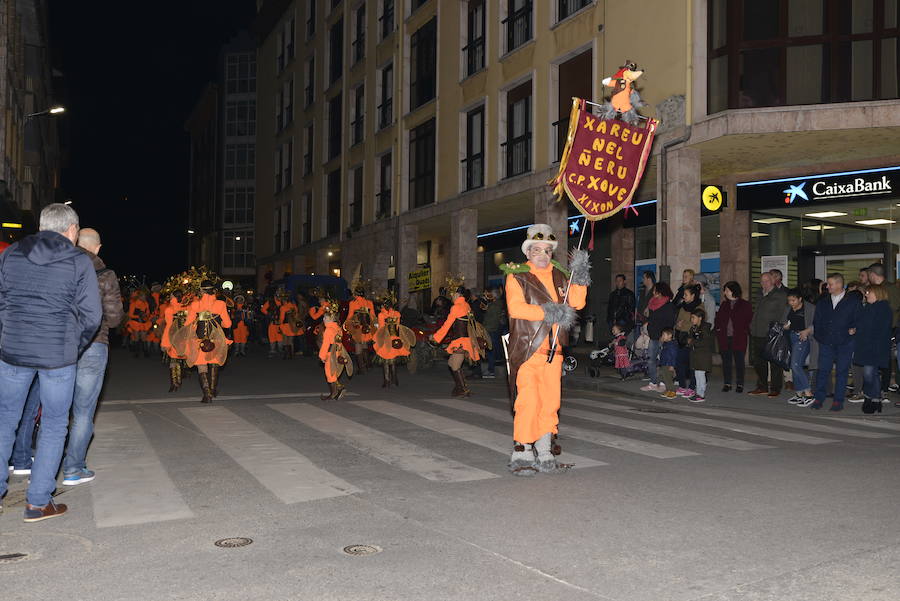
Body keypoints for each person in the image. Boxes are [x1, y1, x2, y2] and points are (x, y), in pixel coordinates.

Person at [0, 203, 102, 522]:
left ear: (43, 226)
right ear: (72, 230)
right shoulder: (77, 260)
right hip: (57, 355)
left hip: (13, 350)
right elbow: (92, 315)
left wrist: (8, 332)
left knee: (5, 419)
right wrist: (72, 344)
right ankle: (38, 501)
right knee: (56, 424)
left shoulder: (12, 254)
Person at [502, 223, 589, 476]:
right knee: (528, 402)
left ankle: (544, 450)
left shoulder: (561, 275)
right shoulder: (517, 275)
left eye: (548, 250)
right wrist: (550, 312)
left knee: (550, 403)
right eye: (537, 250)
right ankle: (523, 451)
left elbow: (578, 302)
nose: (543, 255)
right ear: (528, 252)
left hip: (555, 352)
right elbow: (516, 309)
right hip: (528, 350)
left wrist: (581, 275)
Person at [60, 228, 124, 487]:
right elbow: (114, 317)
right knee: (84, 411)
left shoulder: (59, 265)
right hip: (95, 344)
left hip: (59, 345)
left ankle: (42, 467)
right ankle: (74, 469)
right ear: (97, 248)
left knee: (55, 410)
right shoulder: (105, 274)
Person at [175, 280, 232, 403]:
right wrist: (219, 322)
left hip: (200, 341)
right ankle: (212, 389)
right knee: (214, 365)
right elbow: (228, 324)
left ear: (201, 290)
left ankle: (207, 394)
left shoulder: (195, 305)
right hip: (216, 340)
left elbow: (188, 323)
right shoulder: (221, 304)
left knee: (202, 367)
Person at [811, 273, 860, 412]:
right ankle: (819, 398)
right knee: (823, 371)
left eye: (830, 284)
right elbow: (817, 321)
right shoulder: (823, 301)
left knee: (842, 372)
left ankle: (838, 401)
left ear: (839, 284)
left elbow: (859, 319)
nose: (827, 286)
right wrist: (820, 337)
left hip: (845, 342)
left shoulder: (852, 301)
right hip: (826, 342)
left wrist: (854, 329)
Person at [431, 275, 481, 397]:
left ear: (458, 295)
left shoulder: (456, 307)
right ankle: (461, 387)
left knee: (455, 365)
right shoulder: (467, 306)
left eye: (453, 294)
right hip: (466, 340)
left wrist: (436, 337)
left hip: (460, 341)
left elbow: (447, 325)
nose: (452, 296)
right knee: (451, 363)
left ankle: (462, 389)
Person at [852, 284, 892, 409]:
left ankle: (871, 398)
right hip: (866, 345)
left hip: (875, 347)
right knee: (871, 374)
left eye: (869, 292)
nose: (866, 294)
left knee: (869, 374)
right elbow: (863, 324)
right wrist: (856, 329)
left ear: (878, 293)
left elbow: (881, 329)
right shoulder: (868, 307)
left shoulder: (883, 308)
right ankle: (875, 399)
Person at [748, 272, 788, 397]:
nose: (764, 283)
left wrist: (780, 328)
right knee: (758, 362)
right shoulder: (759, 294)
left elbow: (785, 312)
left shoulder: (780, 295)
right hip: (757, 332)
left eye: (766, 280)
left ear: (773, 281)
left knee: (774, 363)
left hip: (771, 334)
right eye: (762, 281)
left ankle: (775, 388)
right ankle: (762, 386)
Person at [865, 263, 899, 400]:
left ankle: (884, 389)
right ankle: (876, 391)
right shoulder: (883, 288)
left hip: (890, 329)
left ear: (872, 274)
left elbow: (894, 308)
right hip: (880, 329)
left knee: (885, 360)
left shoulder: (890, 289)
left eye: (868, 275)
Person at [714, 281, 752, 393]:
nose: (725, 292)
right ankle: (727, 383)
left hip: (739, 338)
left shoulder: (745, 305)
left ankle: (740, 384)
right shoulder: (724, 305)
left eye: (727, 290)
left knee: (739, 362)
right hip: (725, 338)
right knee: (726, 362)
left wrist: (745, 331)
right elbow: (718, 320)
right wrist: (718, 330)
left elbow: (749, 320)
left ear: (733, 291)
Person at [373, 291, 415, 388]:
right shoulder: (397, 314)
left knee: (385, 360)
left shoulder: (381, 315)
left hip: (385, 339)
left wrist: (376, 339)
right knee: (393, 360)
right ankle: (395, 380)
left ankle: (386, 380)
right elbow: (397, 327)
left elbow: (381, 329)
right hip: (395, 338)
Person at [782, 289, 817, 407]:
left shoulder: (810, 308)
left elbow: (817, 323)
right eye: (789, 300)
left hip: (803, 338)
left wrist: (807, 330)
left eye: (793, 300)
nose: (791, 303)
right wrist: (785, 326)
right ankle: (799, 394)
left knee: (795, 365)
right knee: (796, 365)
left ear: (800, 299)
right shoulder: (788, 308)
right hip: (791, 337)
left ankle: (808, 393)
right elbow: (784, 321)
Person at [640, 282, 676, 393]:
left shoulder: (668, 305)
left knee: (664, 361)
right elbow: (651, 319)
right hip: (653, 335)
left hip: (663, 337)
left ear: (660, 292)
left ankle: (664, 382)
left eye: (655, 290)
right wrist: (648, 327)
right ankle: (653, 382)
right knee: (651, 359)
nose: (653, 292)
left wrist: (664, 336)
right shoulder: (652, 303)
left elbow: (670, 322)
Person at [319, 300, 352, 400]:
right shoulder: (338, 328)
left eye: (325, 317)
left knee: (329, 373)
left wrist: (322, 356)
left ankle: (336, 391)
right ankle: (335, 392)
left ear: (330, 318)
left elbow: (326, 344)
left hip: (330, 353)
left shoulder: (328, 330)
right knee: (334, 372)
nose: (323, 319)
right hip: (337, 352)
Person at [674, 284, 701, 397]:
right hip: (681, 338)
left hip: (691, 338)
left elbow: (696, 323)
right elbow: (678, 323)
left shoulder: (699, 307)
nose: (684, 296)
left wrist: (682, 325)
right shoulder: (682, 307)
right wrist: (678, 325)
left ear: (693, 295)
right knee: (679, 362)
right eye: (684, 294)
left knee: (692, 364)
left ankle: (692, 387)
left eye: (686, 294)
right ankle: (682, 385)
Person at [161, 289, 190, 391]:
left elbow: (168, 327)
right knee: (180, 359)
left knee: (173, 360)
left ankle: (175, 383)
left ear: (173, 297)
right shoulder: (187, 307)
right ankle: (179, 381)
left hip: (172, 337)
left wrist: (164, 342)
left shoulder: (169, 309)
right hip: (184, 337)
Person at [345, 279, 376, 374]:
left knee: (358, 346)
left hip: (357, 327)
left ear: (356, 294)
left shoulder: (353, 303)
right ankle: (368, 364)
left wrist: (346, 324)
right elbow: (373, 316)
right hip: (367, 328)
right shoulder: (369, 303)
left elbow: (350, 316)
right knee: (365, 344)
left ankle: (362, 368)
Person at [687, 309, 713, 402]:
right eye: (691, 317)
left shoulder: (705, 329)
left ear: (700, 318)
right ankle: (698, 392)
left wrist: (692, 341)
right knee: (697, 374)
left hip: (703, 356)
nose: (691, 319)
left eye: (693, 317)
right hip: (696, 355)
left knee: (700, 375)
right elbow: (690, 339)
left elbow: (705, 342)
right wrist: (690, 341)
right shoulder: (694, 328)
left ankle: (701, 394)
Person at [481, 287, 506, 378]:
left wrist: (485, 329)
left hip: (491, 330)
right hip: (492, 329)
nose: (488, 295)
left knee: (491, 350)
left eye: (490, 294)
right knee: (493, 349)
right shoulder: (496, 304)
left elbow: (492, 320)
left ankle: (491, 370)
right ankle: (491, 369)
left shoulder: (495, 305)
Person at [278, 292, 304, 360]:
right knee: (291, 340)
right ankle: (291, 354)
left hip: (285, 325)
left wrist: (279, 325)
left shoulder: (283, 307)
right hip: (292, 325)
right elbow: (297, 315)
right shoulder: (294, 306)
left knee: (285, 340)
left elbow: (281, 318)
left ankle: (286, 354)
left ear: (283, 300)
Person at [261, 292, 284, 357]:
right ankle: (272, 350)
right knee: (272, 336)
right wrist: (269, 314)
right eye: (278, 296)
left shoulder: (283, 302)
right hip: (272, 322)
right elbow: (263, 309)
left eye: (280, 296)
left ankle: (280, 350)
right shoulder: (270, 302)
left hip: (281, 323)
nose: (279, 297)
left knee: (280, 337)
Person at [657, 328, 678, 399]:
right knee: (665, 378)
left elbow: (673, 356)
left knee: (669, 379)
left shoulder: (671, 345)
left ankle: (673, 391)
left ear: (670, 335)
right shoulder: (666, 344)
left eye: (664, 335)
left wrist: (672, 365)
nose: (662, 336)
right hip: (664, 364)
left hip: (668, 365)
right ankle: (668, 390)